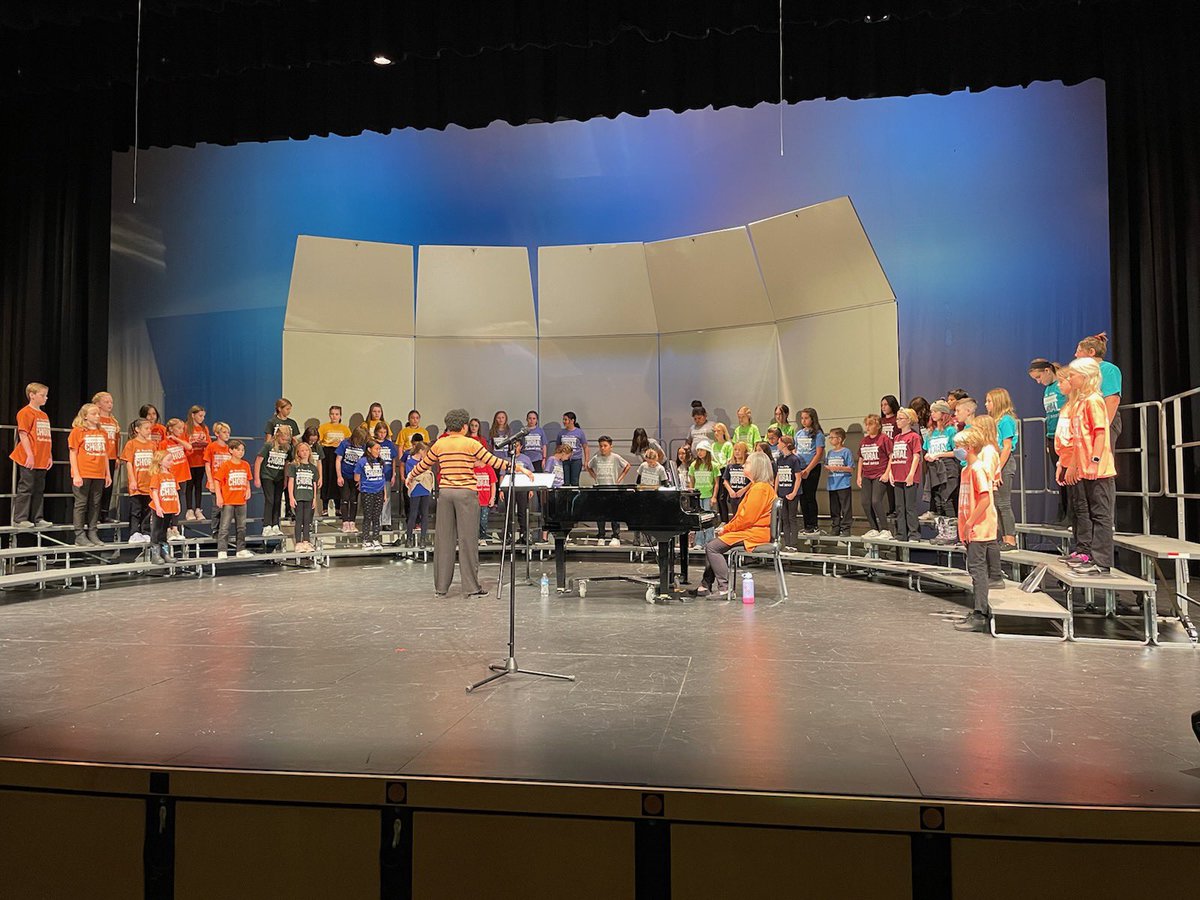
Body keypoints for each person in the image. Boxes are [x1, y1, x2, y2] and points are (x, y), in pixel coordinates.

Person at [405, 408, 531, 597]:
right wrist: (520, 468)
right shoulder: (471, 443)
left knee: (443, 541)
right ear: (464, 426)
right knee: (468, 541)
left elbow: (424, 464)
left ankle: (441, 587)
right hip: (466, 494)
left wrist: (410, 475)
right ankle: (471, 587)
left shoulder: (440, 444)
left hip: (446, 494)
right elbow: (494, 461)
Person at [691, 451, 776, 597]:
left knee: (712, 547)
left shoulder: (760, 488)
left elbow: (746, 519)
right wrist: (728, 529)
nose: (744, 465)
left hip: (754, 533)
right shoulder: (758, 486)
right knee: (713, 543)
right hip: (751, 530)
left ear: (757, 467)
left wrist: (726, 528)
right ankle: (705, 585)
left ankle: (724, 588)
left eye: (748, 463)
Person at [1061, 357, 1117, 576]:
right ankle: (1092, 556)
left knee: (1101, 515)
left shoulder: (1094, 399)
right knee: (1092, 513)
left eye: (1073, 375)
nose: (1071, 378)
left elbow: (1100, 432)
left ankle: (1102, 562)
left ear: (1084, 377)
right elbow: (1077, 439)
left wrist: (1094, 461)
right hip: (1084, 467)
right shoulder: (1082, 402)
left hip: (1099, 468)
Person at [954, 428, 1003, 633]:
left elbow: (984, 499)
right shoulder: (966, 470)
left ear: (969, 447)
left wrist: (970, 523)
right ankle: (978, 608)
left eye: (958, 447)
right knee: (974, 569)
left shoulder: (978, 469)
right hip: (970, 527)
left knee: (978, 570)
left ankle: (980, 613)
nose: (956, 450)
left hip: (980, 527)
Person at [1029, 359, 1070, 525]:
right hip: (1052, 436)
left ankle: (1072, 515)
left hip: (1065, 435)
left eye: (1039, 377)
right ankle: (1063, 513)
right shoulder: (1047, 390)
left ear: (1047, 370)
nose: (1039, 381)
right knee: (1060, 477)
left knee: (1069, 476)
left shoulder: (1062, 385)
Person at [9, 382, 53, 527]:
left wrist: (49, 455)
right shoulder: (25, 412)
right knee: (26, 487)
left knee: (39, 489)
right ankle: (20, 518)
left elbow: (46, 437)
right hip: (30, 456)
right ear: (32, 395)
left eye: (46, 395)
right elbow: (24, 434)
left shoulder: (44, 414)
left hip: (42, 457)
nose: (45, 398)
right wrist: (29, 454)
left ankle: (37, 518)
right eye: (42, 395)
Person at [67, 402, 111, 546]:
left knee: (95, 503)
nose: (97, 416)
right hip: (84, 473)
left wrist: (107, 474)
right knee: (81, 504)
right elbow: (73, 453)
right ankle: (79, 534)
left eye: (98, 413)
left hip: (98, 474)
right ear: (85, 416)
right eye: (94, 414)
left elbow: (105, 455)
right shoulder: (78, 431)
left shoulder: (102, 432)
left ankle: (93, 532)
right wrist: (76, 474)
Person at [985, 388, 1020, 550]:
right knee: (997, 503)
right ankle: (1003, 537)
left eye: (989, 401)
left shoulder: (1006, 420)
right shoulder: (996, 421)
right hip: (994, 463)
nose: (986, 404)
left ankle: (1011, 539)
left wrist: (998, 468)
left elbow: (1006, 447)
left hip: (1003, 464)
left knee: (1004, 504)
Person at [1075, 332, 1122, 445]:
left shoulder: (1108, 369)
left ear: (1091, 352)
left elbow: (1112, 400)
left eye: (1079, 351)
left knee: (1100, 460)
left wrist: (1102, 428)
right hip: (1085, 422)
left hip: (1101, 420)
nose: (1076, 355)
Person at [883, 407, 923, 541]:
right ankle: (901, 534)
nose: (897, 421)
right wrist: (891, 473)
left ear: (908, 420)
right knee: (899, 507)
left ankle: (914, 534)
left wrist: (911, 474)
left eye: (900, 419)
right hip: (898, 475)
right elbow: (894, 457)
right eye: (897, 418)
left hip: (908, 476)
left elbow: (916, 456)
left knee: (909, 507)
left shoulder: (914, 437)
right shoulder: (897, 437)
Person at [214, 440, 254, 559]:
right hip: (228, 501)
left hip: (241, 500)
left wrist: (248, 489)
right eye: (238, 449)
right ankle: (222, 550)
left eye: (242, 450)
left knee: (241, 526)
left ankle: (240, 549)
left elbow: (247, 479)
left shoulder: (245, 465)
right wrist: (219, 496)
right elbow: (217, 480)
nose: (241, 452)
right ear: (231, 450)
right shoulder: (226, 465)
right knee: (225, 526)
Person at [587, 436, 630, 544]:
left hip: (612, 489)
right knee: (600, 513)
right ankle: (601, 535)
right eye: (601, 446)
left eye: (605, 446)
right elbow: (588, 466)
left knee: (614, 513)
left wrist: (619, 479)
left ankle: (615, 535)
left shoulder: (615, 457)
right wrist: (594, 476)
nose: (602, 448)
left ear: (611, 446)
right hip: (600, 488)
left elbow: (627, 466)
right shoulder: (596, 457)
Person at [923, 400, 960, 520]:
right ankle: (943, 531)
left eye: (936, 411)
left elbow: (956, 452)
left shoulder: (951, 431)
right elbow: (927, 449)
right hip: (934, 468)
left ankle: (952, 532)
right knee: (938, 501)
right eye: (931, 411)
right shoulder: (930, 433)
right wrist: (928, 455)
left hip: (948, 467)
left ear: (944, 413)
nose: (932, 414)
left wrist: (939, 454)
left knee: (947, 498)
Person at [857, 413, 892, 539]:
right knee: (865, 502)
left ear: (877, 425)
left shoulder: (884, 439)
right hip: (867, 475)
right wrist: (859, 476)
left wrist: (887, 473)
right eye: (866, 424)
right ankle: (873, 528)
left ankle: (885, 529)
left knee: (876, 501)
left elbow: (891, 456)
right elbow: (861, 458)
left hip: (879, 474)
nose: (867, 427)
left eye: (870, 424)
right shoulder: (864, 441)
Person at [122, 418, 156, 543]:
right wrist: (132, 480)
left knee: (147, 510)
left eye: (149, 429)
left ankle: (145, 531)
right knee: (136, 510)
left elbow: (155, 463)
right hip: (137, 483)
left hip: (149, 483)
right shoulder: (131, 444)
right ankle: (134, 533)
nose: (149, 431)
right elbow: (129, 463)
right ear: (137, 429)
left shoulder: (152, 445)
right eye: (146, 428)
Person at [255, 425, 292, 537]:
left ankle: (275, 525)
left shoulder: (287, 448)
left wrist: (285, 478)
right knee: (270, 500)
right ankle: (266, 526)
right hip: (267, 476)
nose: (284, 441)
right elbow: (258, 460)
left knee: (277, 500)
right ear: (277, 436)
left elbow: (286, 464)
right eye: (282, 439)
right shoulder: (269, 445)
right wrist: (257, 478)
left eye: (286, 440)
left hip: (279, 477)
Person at [146, 449, 181, 564]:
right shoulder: (157, 476)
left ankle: (164, 553)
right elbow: (155, 492)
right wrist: (158, 506)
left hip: (169, 507)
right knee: (156, 531)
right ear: (160, 462)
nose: (172, 462)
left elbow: (175, 491)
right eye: (169, 460)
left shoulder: (172, 475)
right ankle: (155, 555)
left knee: (164, 531)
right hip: (159, 507)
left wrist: (178, 504)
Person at [794, 408, 825, 534]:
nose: (803, 420)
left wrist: (808, 469)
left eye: (806, 418)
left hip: (812, 468)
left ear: (812, 419)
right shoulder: (799, 434)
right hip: (799, 468)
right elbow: (796, 450)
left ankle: (813, 524)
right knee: (802, 496)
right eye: (802, 418)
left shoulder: (818, 434)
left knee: (810, 496)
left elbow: (818, 454)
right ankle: (806, 524)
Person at [287, 440, 321, 552]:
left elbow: (314, 484)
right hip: (298, 496)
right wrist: (291, 497)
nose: (305, 452)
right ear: (298, 453)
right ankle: (298, 543)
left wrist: (315, 499)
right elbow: (291, 482)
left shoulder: (313, 468)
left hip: (309, 496)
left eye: (306, 450)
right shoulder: (294, 466)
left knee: (307, 520)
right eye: (302, 450)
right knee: (299, 520)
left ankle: (306, 541)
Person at [319, 406, 352, 517]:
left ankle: (338, 507)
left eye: (337, 414)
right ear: (329, 415)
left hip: (340, 454)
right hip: (327, 454)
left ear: (340, 415)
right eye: (332, 414)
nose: (334, 416)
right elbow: (319, 441)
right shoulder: (324, 427)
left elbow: (349, 442)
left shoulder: (345, 429)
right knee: (327, 478)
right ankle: (324, 507)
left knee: (338, 479)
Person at [93, 391, 121, 523]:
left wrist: (116, 456)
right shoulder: (96, 420)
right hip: (98, 457)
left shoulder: (113, 421)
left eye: (111, 402)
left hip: (110, 456)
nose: (110, 404)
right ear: (98, 404)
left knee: (108, 486)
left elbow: (117, 439)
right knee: (97, 487)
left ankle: (104, 513)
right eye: (106, 402)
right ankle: (94, 515)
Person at [355, 440, 388, 550]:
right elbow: (356, 477)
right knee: (368, 516)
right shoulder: (362, 461)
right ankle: (365, 539)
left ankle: (375, 539)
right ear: (369, 449)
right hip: (367, 492)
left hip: (379, 491)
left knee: (376, 516)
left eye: (379, 449)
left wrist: (385, 493)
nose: (378, 451)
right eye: (376, 449)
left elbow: (383, 479)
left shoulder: (380, 462)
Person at [163, 418, 192, 540]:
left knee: (178, 503)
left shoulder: (180, 441)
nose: (181, 430)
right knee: (170, 502)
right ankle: (168, 529)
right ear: (170, 429)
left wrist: (176, 439)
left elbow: (189, 447)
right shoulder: (164, 443)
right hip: (171, 478)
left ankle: (175, 528)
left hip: (183, 475)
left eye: (182, 428)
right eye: (178, 428)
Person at [336, 425, 369, 533]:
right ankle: (345, 523)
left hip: (357, 477)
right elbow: (338, 460)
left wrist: (361, 480)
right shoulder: (345, 443)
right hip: (345, 475)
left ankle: (352, 523)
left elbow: (365, 463)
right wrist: (339, 476)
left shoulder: (363, 446)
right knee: (345, 498)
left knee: (354, 500)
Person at [825, 428, 854, 536]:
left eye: (832, 438)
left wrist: (838, 468)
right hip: (832, 484)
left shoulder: (846, 452)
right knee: (834, 508)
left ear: (840, 439)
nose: (830, 440)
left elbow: (851, 468)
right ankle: (835, 527)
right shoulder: (830, 452)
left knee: (846, 508)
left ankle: (846, 528)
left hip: (843, 483)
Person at [689, 440, 718, 549]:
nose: (700, 452)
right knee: (698, 519)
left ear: (707, 451)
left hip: (708, 495)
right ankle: (699, 542)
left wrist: (714, 496)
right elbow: (691, 482)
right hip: (697, 496)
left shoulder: (713, 466)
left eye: (702, 450)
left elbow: (716, 484)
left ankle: (710, 541)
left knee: (708, 518)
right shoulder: (693, 465)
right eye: (698, 450)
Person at [182, 405, 210, 521]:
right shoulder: (185, 427)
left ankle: (198, 509)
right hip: (189, 461)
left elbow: (209, 442)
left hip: (200, 461)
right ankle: (189, 510)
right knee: (189, 485)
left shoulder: (204, 428)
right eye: (200, 416)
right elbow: (183, 442)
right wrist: (192, 444)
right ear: (193, 415)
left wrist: (203, 443)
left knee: (198, 485)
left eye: (203, 416)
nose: (202, 418)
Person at [404, 439, 434, 546]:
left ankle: (423, 539)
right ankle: (409, 538)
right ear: (420, 450)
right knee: (413, 513)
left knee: (425, 514)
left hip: (425, 489)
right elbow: (411, 475)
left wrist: (420, 474)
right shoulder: (410, 461)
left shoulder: (425, 462)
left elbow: (428, 474)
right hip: (415, 489)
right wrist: (420, 474)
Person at [774, 434, 801, 548]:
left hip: (792, 492)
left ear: (785, 445)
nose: (778, 444)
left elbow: (798, 477)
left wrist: (794, 492)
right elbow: (778, 476)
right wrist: (775, 492)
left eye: (780, 442)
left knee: (792, 518)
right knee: (784, 518)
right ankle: (787, 543)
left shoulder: (794, 459)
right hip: (782, 492)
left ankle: (793, 544)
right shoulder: (780, 459)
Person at [372, 422, 399, 533]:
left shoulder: (389, 444)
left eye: (384, 432)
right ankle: (376, 522)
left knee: (386, 499)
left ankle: (386, 522)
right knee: (376, 500)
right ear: (376, 432)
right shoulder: (372, 443)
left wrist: (393, 474)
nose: (382, 434)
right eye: (380, 432)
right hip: (375, 476)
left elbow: (393, 460)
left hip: (387, 475)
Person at [203, 422, 233, 511]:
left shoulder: (229, 448)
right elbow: (207, 464)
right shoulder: (211, 447)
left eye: (228, 432)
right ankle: (215, 525)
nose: (227, 435)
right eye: (224, 432)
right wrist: (210, 481)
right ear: (217, 434)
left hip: (226, 483)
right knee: (216, 508)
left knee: (227, 508)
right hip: (216, 481)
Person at [722, 441, 751, 520]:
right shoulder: (730, 465)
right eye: (735, 450)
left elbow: (752, 481)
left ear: (745, 452)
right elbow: (725, 480)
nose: (737, 452)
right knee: (735, 516)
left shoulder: (748, 465)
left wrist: (743, 490)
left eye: (739, 450)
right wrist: (730, 491)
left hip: (744, 495)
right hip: (733, 495)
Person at [558, 412, 588, 485]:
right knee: (565, 482)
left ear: (572, 420)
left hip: (576, 460)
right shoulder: (561, 433)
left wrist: (586, 460)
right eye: (563, 420)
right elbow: (558, 446)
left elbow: (585, 446)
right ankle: (566, 496)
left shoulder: (579, 432)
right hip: (565, 460)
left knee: (575, 481)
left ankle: (575, 496)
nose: (564, 422)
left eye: (566, 420)